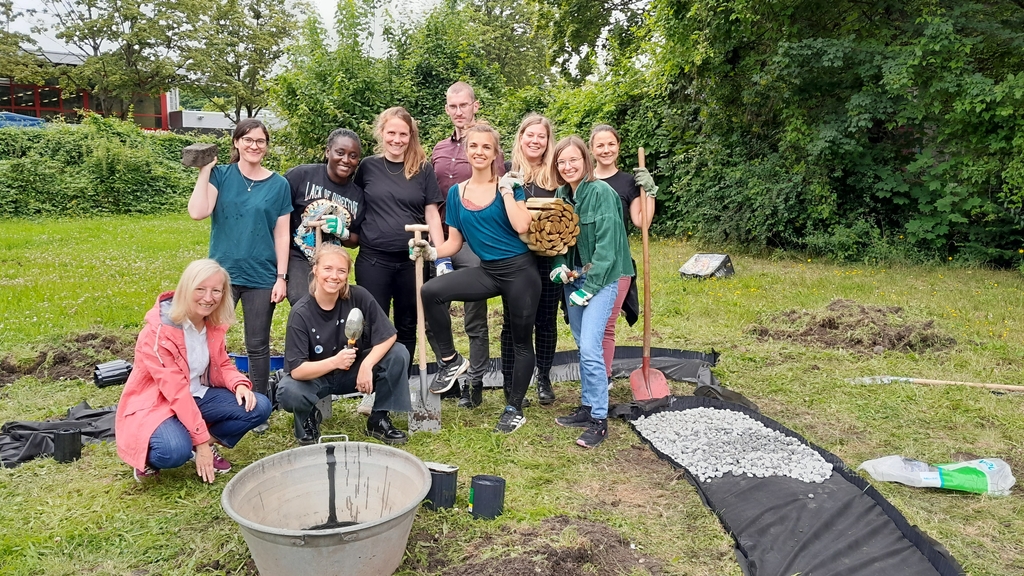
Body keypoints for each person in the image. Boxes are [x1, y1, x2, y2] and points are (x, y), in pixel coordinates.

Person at [413, 123, 539, 434]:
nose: (479, 152)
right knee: (431, 291)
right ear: (466, 151)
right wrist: (431, 252)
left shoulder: (508, 185)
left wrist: (508, 191)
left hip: (521, 272)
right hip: (488, 271)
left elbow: (523, 226)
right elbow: (454, 243)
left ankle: (515, 408)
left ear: (496, 153)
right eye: (474, 146)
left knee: (521, 341)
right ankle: (451, 359)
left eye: (486, 147)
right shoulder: (457, 193)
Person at [115, 259, 272, 482]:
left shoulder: (212, 324)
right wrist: (199, 442)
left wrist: (239, 384)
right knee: (173, 451)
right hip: (159, 403)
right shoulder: (158, 333)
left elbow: (222, 364)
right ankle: (149, 459)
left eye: (216, 291)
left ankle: (200, 445)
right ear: (186, 288)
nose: (208, 298)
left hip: (197, 394)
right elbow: (177, 392)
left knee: (259, 405)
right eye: (200, 289)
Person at [188, 119, 291, 420]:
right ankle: (205, 398)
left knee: (257, 344)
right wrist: (206, 169)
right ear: (236, 142)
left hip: (261, 275)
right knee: (210, 337)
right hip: (221, 276)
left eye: (260, 141)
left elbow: (282, 233)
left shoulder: (278, 184)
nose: (254, 146)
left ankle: (258, 406)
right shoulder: (221, 175)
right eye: (247, 140)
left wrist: (281, 277)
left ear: (266, 146)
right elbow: (197, 212)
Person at [276, 245, 412, 445]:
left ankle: (379, 418)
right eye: (328, 269)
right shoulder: (300, 313)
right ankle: (308, 418)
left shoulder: (359, 296)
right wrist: (334, 362)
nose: (334, 276)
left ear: (348, 274)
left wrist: (366, 366)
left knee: (398, 353)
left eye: (341, 271)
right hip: (316, 378)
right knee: (288, 391)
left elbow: (388, 336)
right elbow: (297, 370)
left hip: (353, 373)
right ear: (315, 270)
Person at [549, 136, 634, 449]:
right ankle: (587, 407)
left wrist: (590, 289)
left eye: (574, 160)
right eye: (562, 162)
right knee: (581, 344)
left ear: (585, 161)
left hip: (604, 278)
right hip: (574, 279)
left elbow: (608, 249)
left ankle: (599, 420)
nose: (568, 166)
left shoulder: (601, 193)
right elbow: (557, 238)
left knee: (590, 347)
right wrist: (559, 266)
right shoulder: (561, 195)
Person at [428, 82, 504, 408]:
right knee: (433, 312)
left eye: (464, 105)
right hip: (445, 240)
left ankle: (475, 386)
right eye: (452, 106)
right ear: (447, 109)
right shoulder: (438, 150)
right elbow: (429, 198)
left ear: (476, 106)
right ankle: (451, 374)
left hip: (475, 244)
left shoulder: (490, 148)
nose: (458, 111)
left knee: (475, 319)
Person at [353, 107, 445, 363]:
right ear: (381, 133)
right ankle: (373, 384)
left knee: (407, 323)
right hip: (373, 260)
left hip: (411, 261)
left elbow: (432, 214)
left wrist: (440, 255)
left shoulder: (422, 169)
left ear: (411, 136)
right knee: (372, 323)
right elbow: (355, 205)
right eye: (391, 132)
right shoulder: (368, 167)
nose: (397, 139)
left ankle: (400, 386)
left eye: (403, 134)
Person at [590, 124, 657, 388]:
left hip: (617, 264)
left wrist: (649, 192)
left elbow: (642, 222)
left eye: (611, 144)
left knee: (606, 325)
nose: (606, 150)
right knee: (586, 328)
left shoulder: (629, 182)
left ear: (618, 147)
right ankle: (593, 374)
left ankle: (602, 379)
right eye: (600, 145)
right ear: (592, 149)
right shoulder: (584, 178)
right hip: (585, 263)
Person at [500, 113, 559, 406]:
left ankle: (544, 378)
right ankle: (510, 383)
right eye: (530, 135)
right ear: (520, 138)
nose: (535, 141)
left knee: (545, 321)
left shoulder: (557, 176)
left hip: (549, 260)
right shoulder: (507, 173)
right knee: (513, 323)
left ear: (548, 142)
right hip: (514, 259)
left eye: (541, 136)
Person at [284, 128, 365, 306]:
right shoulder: (300, 176)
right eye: (340, 152)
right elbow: (279, 217)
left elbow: (355, 239)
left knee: (331, 303)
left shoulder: (357, 195)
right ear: (328, 152)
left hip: (332, 262)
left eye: (353, 156)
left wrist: (343, 233)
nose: (346, 160)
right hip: (299, 255)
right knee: (303, 300)